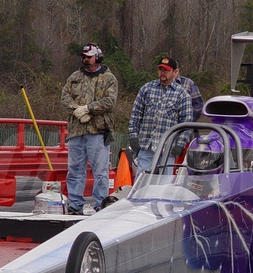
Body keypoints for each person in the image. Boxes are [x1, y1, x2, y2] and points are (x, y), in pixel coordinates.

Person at [61, 43, 118, 214]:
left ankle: (100, 203)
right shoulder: (74, 77)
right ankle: (75, 204)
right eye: (84, 57)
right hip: (76, 130)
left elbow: (109, 101)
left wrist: (88, 109)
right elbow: (65, 97)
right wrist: (76, 111)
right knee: (75, 170)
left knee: (100, 171)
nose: (85, 59)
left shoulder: (109, 78)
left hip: (98, 131)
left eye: (89, 57)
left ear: (98, 57)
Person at [128, 57, 193, 173]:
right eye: (160, 69)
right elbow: (136, 115)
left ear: (175, 72)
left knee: (164, 182)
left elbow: (186, 122)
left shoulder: (182, 94)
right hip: (146, 145)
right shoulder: (146, 89)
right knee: (142, 180)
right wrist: (133, 136)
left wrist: (180, 144)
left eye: (166, 70)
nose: (163, 73)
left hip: (168, 149)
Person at [163, 57, 204, 121]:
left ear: (176, 71)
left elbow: (198, 105)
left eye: (167, 70)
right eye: (162, 70)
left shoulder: (189, 84)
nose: (164, 73)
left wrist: (187, 122)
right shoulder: (156, 86)